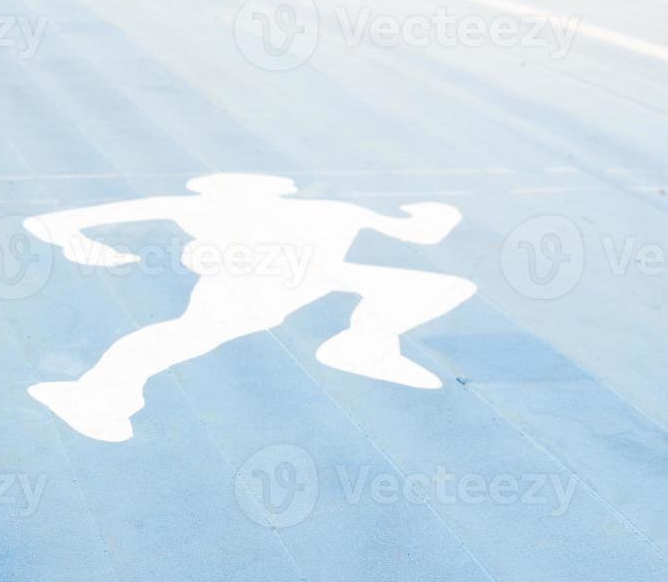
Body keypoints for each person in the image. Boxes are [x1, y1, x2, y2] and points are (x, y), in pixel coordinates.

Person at [24, 173, 476, 443]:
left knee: (437, 286)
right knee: (188, 335)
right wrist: (80, 242)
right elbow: (423, 232)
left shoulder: (325, 210)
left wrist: (80, 243)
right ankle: (96, 396)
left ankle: (366, 343)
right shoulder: (331, 210)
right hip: (252, 286)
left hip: (305, 278)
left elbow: (52, 223)